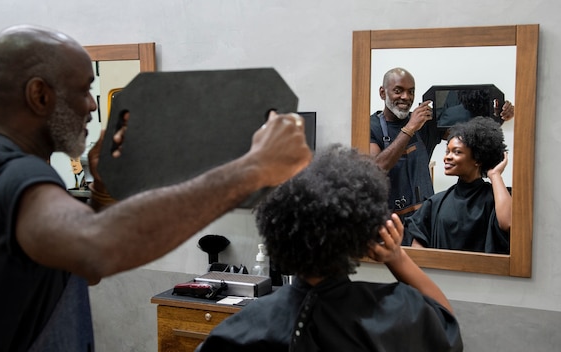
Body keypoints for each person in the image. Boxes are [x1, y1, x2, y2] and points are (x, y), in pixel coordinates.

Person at [0, 24, 312, 351]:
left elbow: (81, 268)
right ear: (40, 96)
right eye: (84, 90)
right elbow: (93, 251)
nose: (91, 106)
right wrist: (252, 168)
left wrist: (101, 191)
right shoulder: (13, 176)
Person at [196, 144, 463, 352]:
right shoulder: (396, 312)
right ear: (361, 237)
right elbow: (446, 327)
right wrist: (397, 257)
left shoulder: (241, 329)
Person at [370, 67, 514, 240]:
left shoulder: (426, 124)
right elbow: (375, 169)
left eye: (411, 92)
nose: (405, 97)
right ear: (382, 92)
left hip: (422, 222)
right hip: (387, 225)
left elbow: (468, 134)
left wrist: (498, 117)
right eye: (398, 91)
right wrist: (409, 129)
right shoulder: (371, 127)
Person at [406, 117, 511, 254]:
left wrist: (495, 175)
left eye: (457, 152)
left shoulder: (497, 200)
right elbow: (418, 251)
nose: (447, 157)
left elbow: (507, 223)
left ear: (478, 159)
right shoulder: (435, 204)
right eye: (447, 151)